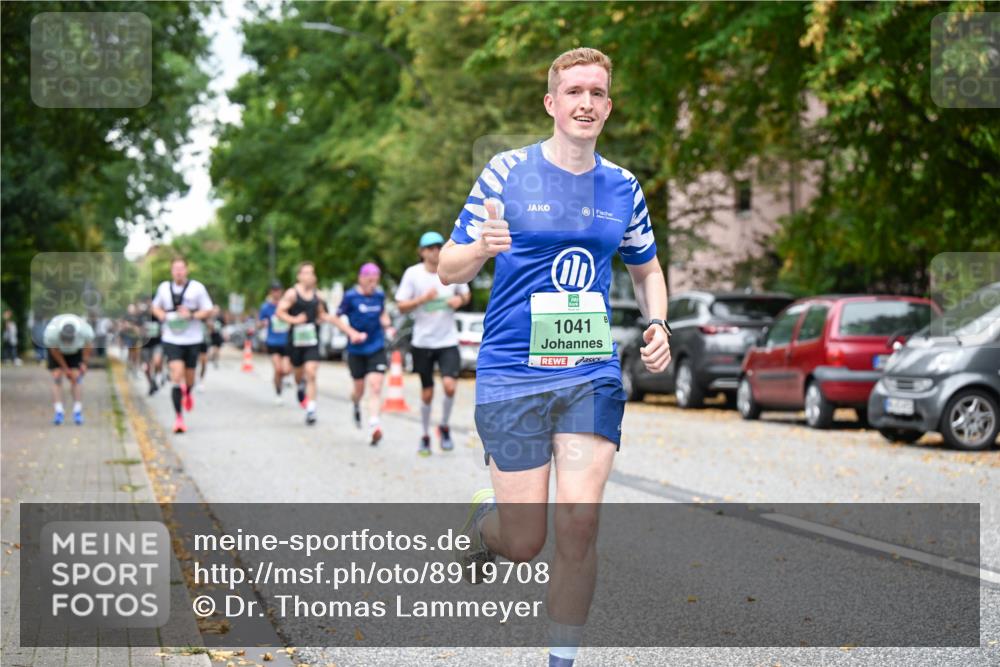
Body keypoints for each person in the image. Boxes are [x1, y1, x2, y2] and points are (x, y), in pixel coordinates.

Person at [439, 48, 672, 667]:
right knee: (523, 541)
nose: (586, 103)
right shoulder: (505, 173)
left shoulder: (623, 187)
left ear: (608, 106)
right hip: (513, 369)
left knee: (578, 523)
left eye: (597, 93)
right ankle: (483, 527)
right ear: (551, 103)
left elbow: (648, 271)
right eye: (574, 92)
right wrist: (480, 249)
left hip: (588, 370)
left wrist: (658, 323)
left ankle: (561, 662)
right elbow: (447, 268)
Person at [395, 232, 471, 456]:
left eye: (438, 246)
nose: (435, 251)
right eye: (430, 248)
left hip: (447, 340)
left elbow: (465, 294)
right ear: (421, 252)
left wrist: (459, 299)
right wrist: (421, 300)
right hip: (423, 342)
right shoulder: (413, 274)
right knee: (427, 393)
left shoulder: (450, 270)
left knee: (450, 386)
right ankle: (425, 435)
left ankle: (445, 426)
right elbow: (401, 306)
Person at [332, 263, 396, 445]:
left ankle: (374, 426)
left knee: (375, 387)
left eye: (375, 281)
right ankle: (355, 403)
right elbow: (336, 318)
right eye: (369, 281)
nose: (372, 285)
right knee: (358, 389)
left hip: (376, 347)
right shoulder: (350, 296)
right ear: (360, 278)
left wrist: (388, 326)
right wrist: (351, 333)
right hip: (356, 350)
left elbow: (382, 313)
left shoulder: (379, 295)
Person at [151, 257, 214, 434]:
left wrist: (192, 315)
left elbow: (208, 309)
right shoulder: (164, 288)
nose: (178, 271)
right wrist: (162, 315)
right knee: (176, 374)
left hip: (192, 339)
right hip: (172, 339)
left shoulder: (197, 288)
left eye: (181, 268)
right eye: (175, 269)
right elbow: (155, 307)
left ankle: (188, 392)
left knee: (190, 378)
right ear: (171, 271)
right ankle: (179, 418)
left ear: (186, 270)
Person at [275, 261, 329, 426]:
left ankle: (311, 409)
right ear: (299, 275)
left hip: (312, 340)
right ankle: (300, 386)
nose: (309, 276)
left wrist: (324, 319)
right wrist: (294, 320)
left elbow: (322, 314)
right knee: (298, 374)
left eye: (311, 273)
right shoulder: (292, 294)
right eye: (305, 273)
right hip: (296, 341)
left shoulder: (317, 295)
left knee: (311, 372)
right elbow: (279, 312)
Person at [42, 313, 95, 425]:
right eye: (65, 340)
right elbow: (54, 351)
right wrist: (65, 369)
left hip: (75, 352)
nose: (66, 343)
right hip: (57, 351)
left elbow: (89, 345)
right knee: (57, 377)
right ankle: (59, 411)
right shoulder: (51, 334)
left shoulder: (85, 331)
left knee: (76, 378)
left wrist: (84, 363)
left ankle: (77, 410)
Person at [258, 281, 292, 404]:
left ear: (281, 291)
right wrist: (263, 323)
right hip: (272, 342)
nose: (276, 293)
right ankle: (278, 393)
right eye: (274, 290)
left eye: (278, 290)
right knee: (278, 369)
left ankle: (286, 379)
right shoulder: (266, 307)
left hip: (287, 341)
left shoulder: (287, 305)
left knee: (286, 370)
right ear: (271, 292)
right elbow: (259, 322)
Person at [139, 296, 164, 395]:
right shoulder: (142, 316)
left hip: (157, 343)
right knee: (146, 367)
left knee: (157, 362)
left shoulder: (159, 315)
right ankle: (151, 383)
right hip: (145, 345)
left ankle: (157, 377)